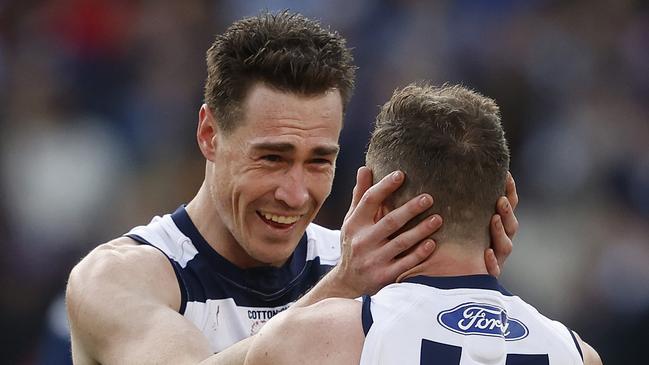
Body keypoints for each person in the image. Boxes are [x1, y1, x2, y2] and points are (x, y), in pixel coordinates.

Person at [65, 12, 519, 364]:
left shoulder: (370, 271)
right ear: (209, 135)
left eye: (320, 160)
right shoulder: (121, 278)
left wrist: (465, 286)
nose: (295, 194)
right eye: (272, 158)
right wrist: (341, 289)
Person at [244, 83, 602, 365]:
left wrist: (343, 282)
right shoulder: (576, 354)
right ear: (503, 206)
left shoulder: (315, 341)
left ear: (374, 202)